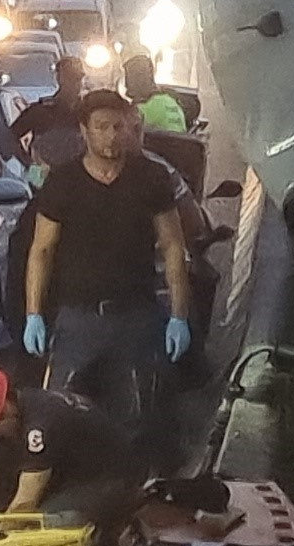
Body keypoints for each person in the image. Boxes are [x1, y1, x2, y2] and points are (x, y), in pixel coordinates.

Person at [21, 90, 197, 454]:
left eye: (118, 126)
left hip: (136, 318)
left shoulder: (150, 177)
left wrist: (180, 315)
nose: (111, 136)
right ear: (84, 131)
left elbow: (172, 246)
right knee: (61, 415)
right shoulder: (63, 182)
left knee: (139, 417)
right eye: (101, 127)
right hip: (78, 320)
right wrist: (33, 314)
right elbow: (41, 250)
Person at [0, 364, 142, 545]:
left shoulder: (42, 424)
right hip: (70, 468)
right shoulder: (4, 417)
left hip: (109, 477)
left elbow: (26, 501)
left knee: (43, 527)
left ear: (7, 408)